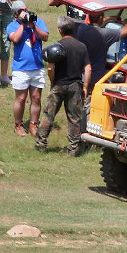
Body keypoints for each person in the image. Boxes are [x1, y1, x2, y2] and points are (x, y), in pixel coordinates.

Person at [37, 17, 91, 155]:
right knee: (74, 118)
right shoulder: (82, 46)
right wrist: (85, 87)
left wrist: (53, 82)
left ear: (60, 30)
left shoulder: (57, 46)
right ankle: (74, 148)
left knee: (49, 114)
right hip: (75, 86)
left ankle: (41, 143)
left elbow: (50, 68)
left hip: (59, 84)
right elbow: (88, 68)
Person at [6, 0, 49, 136]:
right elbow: (15, 39)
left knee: (36, 97)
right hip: (21, 68)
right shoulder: (12, 26)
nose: (26, 12)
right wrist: (23, 24)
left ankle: (33, 124)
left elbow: (45, 37)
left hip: (37, 67)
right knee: (21, 98)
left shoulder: (38, 22)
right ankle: (18, 124)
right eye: (22, 11)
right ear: (16, 14)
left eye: (26, 9)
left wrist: (33, 26)